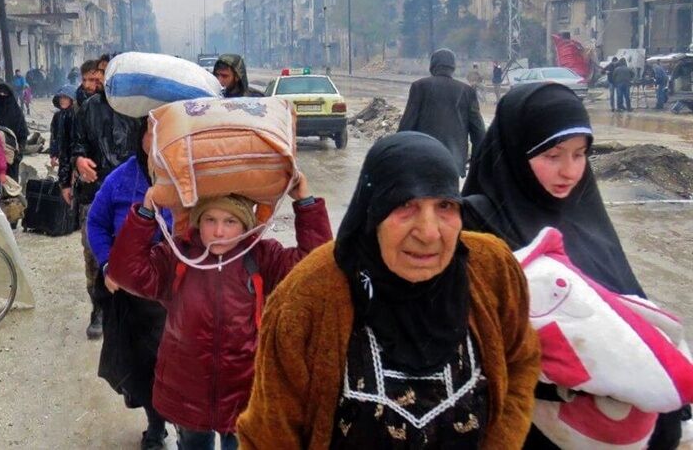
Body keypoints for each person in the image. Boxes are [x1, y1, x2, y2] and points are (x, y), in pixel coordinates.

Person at [237, 132, 540, 448]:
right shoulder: (307, 297)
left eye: (445, 205)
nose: (428, 232)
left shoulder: (492, 269)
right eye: (405, 204)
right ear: (373, 209)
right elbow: (269, 434)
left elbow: (520, 362)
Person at [461, 82, 683, 449]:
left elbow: (628, 311)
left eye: (580, 155)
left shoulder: (586, 217)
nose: (569, 171)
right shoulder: (476, 224)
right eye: (553, 155)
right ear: (515, 151)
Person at [106, 170, 332, 449]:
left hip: (244, 392)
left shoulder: (262, 258)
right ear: (198, 222)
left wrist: (305, 203)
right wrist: (145, 212)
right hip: (187, 391)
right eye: (210, 220)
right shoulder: (178, 257)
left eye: (230, 221)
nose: (219, 231)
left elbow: (315, 269)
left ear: (245, 225)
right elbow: (127, 272)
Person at [86, 117, 174, 450]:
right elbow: (96, 223)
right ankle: (156, 425)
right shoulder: (121, 179)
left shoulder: (191, 179)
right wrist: (110, 265)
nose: (158, 138)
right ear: (141, 136)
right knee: (143, 363)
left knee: (179, 362)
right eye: (152, 130)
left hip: (176, 290)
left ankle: (193, 431)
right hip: (132, 293)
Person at [72, 71, 142, 339]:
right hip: (95, 191)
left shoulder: (137, 108)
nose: (99, 82)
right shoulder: (88, 108)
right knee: (93, 252)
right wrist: (78, 161)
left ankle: (133, 310)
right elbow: (76, 144)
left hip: (131, 192)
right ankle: (98, 309)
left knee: (135, 251)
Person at [397, 49, 485, 178]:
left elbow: (407, 125)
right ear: (453, 67)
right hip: (454, 162)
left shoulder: (420, 86)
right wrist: (477, 162)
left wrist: (399, 156)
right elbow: (478, 130)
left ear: (432, 65)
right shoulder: (467, 91)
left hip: (423, 160)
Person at [0, 83, 28, 181]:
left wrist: (18, 155)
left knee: (10, 188)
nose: (2, 96)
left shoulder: (16, 112)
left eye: (4, 94)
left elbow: (22, 135)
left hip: (11, 157)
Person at [49, 85, 77, 206]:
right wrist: (53, 154)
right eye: (61, 98)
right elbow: (54, 136)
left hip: (74, 156)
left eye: (66, 98)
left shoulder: (77, 116)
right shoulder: (58, 116)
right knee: (64, 183)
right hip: (63, 156)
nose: (63, 100)